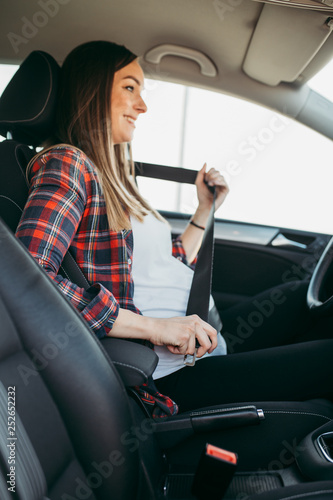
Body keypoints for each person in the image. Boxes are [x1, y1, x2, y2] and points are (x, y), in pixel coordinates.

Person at [16, 41, 333, 417]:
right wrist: (155, 328)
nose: (142, 106)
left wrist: (205, 210)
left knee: (301, 297)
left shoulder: (111, 175)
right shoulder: (67, 163)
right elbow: (28, 284)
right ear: (92, 90)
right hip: (167, 372)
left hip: (199, 331)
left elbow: (160, 265)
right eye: (130, 87)